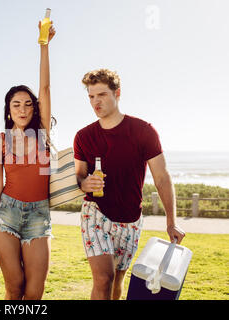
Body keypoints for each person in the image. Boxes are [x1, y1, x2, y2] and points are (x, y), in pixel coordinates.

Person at [73, 68, 186, 300]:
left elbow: (162, 177)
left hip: (131, 219)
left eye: (101, 95)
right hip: (96, 214)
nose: (96, 102)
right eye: (91, 97)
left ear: (117, 93)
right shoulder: (83, 136)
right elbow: (79, 176)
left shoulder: (143, 131)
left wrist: (171, 222)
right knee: (103, 279)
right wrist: (85, 185)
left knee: (116, 282)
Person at [0, 21, 56, 300]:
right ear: (8, 111)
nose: (23, 109)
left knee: (34, 293)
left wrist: (44, 45)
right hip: (6, 215)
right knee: (15, 289)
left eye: (28, 104)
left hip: (39, 215)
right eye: (16, 104)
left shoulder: (42, 132)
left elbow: (45, 88)